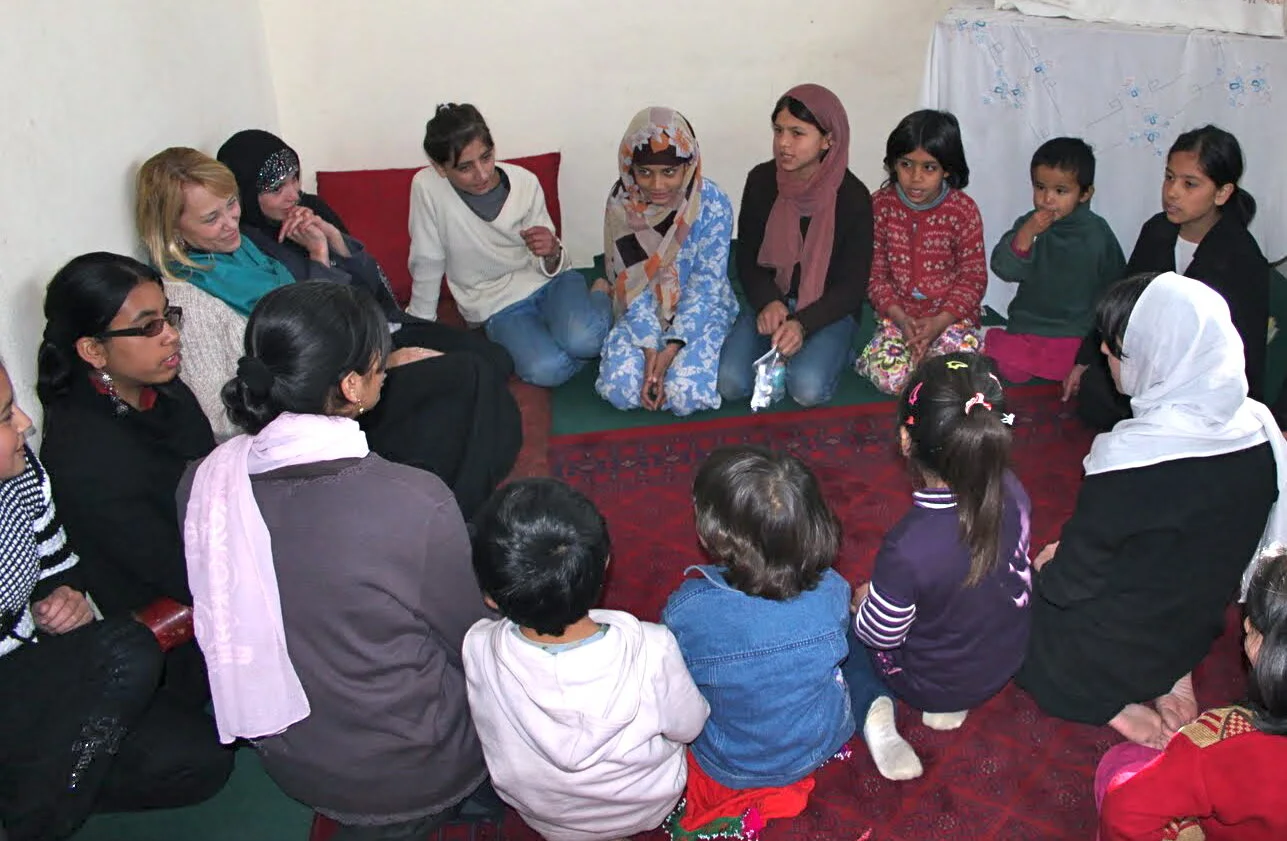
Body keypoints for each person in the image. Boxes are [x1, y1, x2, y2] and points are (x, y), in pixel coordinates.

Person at [178, 282, 500, 839]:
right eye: (380, 361)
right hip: (417, 769)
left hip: (293, 758)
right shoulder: (413, 500)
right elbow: (473, 640)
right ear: (351, 385)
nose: (386, 370)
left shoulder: (203, 485)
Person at [136, 146, 519, 518]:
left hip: (341, 376)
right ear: (172, 229)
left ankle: (452, 510)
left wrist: (371, 363)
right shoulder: (188, 299)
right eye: (211, 218)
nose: (230, 222)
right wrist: (366, 373)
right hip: (310, 415)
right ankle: (451, 515)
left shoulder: (243, 249)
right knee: (468, 383)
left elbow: (332, 310)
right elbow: (223, 423)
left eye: (231, 204)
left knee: (475, 390)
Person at [1017, 272, 1287, 749]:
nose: (1103, 351)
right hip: (1192, 627)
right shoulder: (1261, 431)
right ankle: (1174, 672)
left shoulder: (1132, 462)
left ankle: (1112, 706)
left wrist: (1049, 564)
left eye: (1117, 348)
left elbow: (1071, 583)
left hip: (1118, 644)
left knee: (1012, 613)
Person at [0, 361, 230, 841]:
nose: (24, 423)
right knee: (129, 649)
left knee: (201, 761)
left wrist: (62, 594)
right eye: (5, 417)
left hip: (29, 668)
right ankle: (35, 822)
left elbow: (57, 560)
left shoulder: (22, 474)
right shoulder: (83, 447)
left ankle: (39, 786)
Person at [463, 478, 709, 841]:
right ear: (606, 563)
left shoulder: (476, 646)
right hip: (645, 806)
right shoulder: (653, 650)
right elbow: (689, 726)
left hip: (547, 818)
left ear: (490, 598)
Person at [37, 252, 216, 705]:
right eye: (148, 326)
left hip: (218, 574)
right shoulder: (86, 454)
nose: (171, 334)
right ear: (93, 350)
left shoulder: (159, 390)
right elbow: (177, 572)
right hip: (187, 643)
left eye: (167, 317)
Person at [845, 352, 1033, 781]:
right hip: (1005, 659)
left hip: (930, 681)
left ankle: (875, 714)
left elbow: (879, 635)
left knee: (839, 628)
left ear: (906, 441)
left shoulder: (909, 546)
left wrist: (862, 605)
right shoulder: (1014, 487)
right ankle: (953, 702)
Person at [662, 446, 853, 836]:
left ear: (715, 534)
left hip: (732, 759)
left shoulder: (687, 611)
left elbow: (675, 679)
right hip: (816, 741)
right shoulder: (835, 590)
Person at [214, 128, 515, 375]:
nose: (293, 195)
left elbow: (373, 284)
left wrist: (334, 237)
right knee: (471, 374)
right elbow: (317, 326)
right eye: (277, 189)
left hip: (386, 325)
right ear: (246, 195)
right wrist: (318, 254)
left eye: (295, 178)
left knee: (497, 360)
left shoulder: (311, 208)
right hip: (355, 359)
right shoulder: (252, 249)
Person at [1066, 125, 1270, 429]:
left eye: (1190, 184)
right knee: (1096, 391)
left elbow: (1245, 349)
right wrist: (1086, 359)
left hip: (1200, 382)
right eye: (1169, 177)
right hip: (1150, 364)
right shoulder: (1157, 231)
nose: (1172, 191)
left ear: (1222, 193)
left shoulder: (1241, 257)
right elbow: (1123, 304)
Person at [408, 103, 613, 387]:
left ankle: (600, 294)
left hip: (549, 282)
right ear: (440, 168)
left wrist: (552, 251)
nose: (482, 174)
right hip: (495, 305)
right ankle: (569, 340)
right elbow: (427, 258)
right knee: (546, 370)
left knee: (586, 340)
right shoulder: (427, 188)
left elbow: (554, 262)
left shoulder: (525, 183)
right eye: (465, 168)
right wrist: (419, 328)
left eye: (486, 157)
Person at [1096, 551, 1287, 841]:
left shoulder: (1226, 740)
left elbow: (1125, 809)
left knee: (1122, 762)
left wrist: (1191, 749)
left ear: (1256, 641)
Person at [716, 84, 873, 408]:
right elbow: (747, 257)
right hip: (773, 302)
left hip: (827, 310)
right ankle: (793, 347)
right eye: (778, 131)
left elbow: (852, 286)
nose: (783, 143)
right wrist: (768, 302)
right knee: (729, 383)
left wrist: (803, 324)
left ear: (828, 140)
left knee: (806, 388)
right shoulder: (762, 181)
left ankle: (838, 350)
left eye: (797, 133)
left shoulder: (853, 197)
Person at [595, 108, 737, 415]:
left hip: (699, 309)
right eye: (645, 172)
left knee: (685, 394)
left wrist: (671, 349)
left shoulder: (712, 204)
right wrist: (650, 350)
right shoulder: (623, 203)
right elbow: (631, 283)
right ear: (630, 168)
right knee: (621, 389)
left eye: (669, 172)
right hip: (641, 308)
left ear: (688, 165)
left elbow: (706, 286)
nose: (657, 185)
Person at [856, 109, 987, 396]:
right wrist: (902, 319)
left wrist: (940, 322)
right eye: (906, 165)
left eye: (929, 168)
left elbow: (973, 279)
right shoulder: (880, 207)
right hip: (898, 318)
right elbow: (874, 276)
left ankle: (935, 365)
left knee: (957, 373)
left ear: (947, 169)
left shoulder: (963, 211)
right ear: (893, 164)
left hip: (949, 318)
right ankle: (910, 365)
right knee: (890, 378)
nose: (915, 178)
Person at [984, 138, 1126, 383]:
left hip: (1073, 331)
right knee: (1011, 369)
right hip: (1027, 326)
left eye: (1060, 191)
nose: (1047, 199)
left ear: (1085, 194)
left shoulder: (1097, 233)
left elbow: (1116, 286)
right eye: (1040, 187)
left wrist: (1098, 334)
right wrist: (1026, 234)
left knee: (1078, 363)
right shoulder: (1030, 223)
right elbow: (1004, 269)